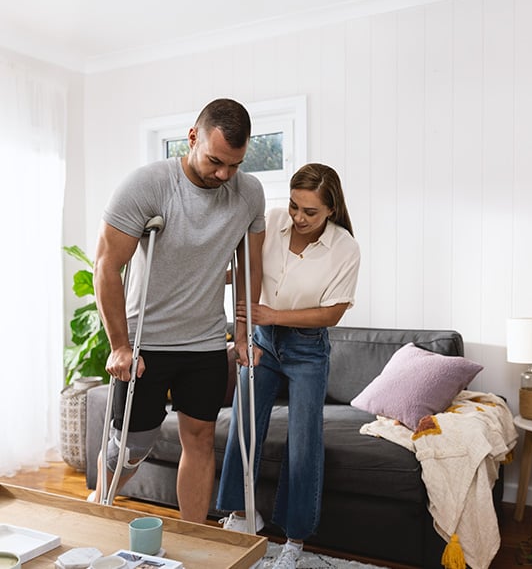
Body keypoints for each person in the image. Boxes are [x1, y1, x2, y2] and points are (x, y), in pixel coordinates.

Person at [89, 98, 265, 524]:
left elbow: (251, 267)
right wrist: (119, 346)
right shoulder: (148, 185)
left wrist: (243, 335)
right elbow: (107, 266)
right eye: (215, 161)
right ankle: (98, 509)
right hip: (146, 342)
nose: (223, 175)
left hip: (204, 343)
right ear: (192, 138)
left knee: (201, 439)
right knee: (130, 447)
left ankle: (194, 537)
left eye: (234, 165)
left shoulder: (248, 194)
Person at [216, 163, 361, 569]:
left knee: (303, 442)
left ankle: (294, 539)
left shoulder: (344, 248)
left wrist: (272, 317)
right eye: (295, 206)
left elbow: (332, 314)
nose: (298, 217)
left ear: (331, 209)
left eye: (310, 212)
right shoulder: (274, 221)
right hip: (263, 342)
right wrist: (213, 277)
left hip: (306, 351)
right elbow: (249, 267)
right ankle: (243, 514)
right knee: (244, 425)